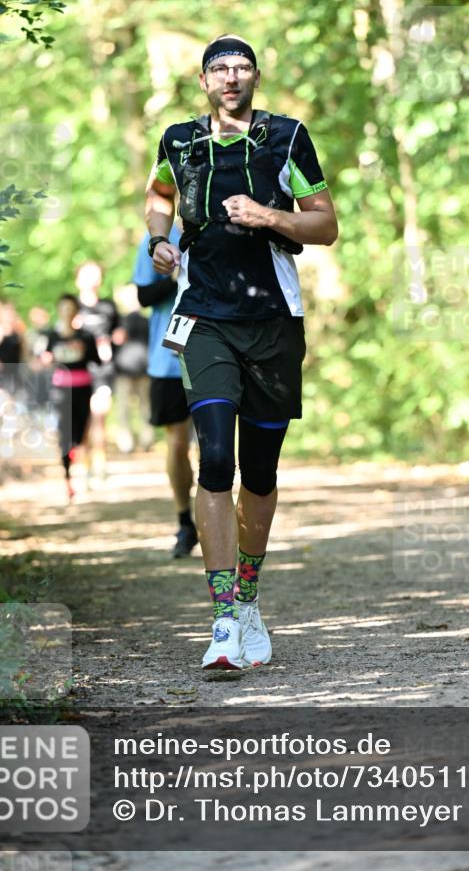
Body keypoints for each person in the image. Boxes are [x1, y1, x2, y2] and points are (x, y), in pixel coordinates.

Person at [144, 34, 337, 670]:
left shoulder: (288, 137)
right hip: (204, 319)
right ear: (203, 81)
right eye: (219, 69)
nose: (231, 77)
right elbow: (160, 196)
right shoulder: (178, 141)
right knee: (215, 458)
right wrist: (159, 243)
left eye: (242, 67)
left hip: (274, 322)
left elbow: (325, 224)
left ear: (255, 77)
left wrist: (268, 216)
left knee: (259, 472)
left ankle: (250, 598)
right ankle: (224, 617)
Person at [133, 224, 198, 558]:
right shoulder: (157, 236)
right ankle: (185, 521)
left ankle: (217, 517)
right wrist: (177, 274)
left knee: (215, 444)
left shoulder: (227, 223)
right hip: (168, 357)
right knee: (176, 442)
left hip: (218, 352)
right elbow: (143, 296)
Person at [41, 294, 101, 501]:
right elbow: (45, 360)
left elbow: (97, 361)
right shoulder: (52, 336)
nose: (67, 313)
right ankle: (68, 481)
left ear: (76, 311)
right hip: (60, 391)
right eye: (63, 308)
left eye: (71, 308)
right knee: (64, 435)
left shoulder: (86, 336)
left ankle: (84, 475)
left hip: (83, 388)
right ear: (59, 310)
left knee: (82, 434)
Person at [75, 261, 123, 485]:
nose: (93, 279)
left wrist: (111, 343)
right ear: (78, 279)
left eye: (96, 274)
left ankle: (100, 466)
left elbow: (120, 335)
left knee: (99, 417)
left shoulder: (108, 306)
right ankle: (83, 466)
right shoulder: (72, 307)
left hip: (103, 371)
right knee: (83, 420)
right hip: (79, 372)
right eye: (88, 274)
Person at [112, 284, 154, 454]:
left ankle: (146, 440)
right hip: (124, 371)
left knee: (144, 407)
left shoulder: (146, 320)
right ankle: (127, 442)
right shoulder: (121, 320)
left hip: (143, 370)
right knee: (124, 408)